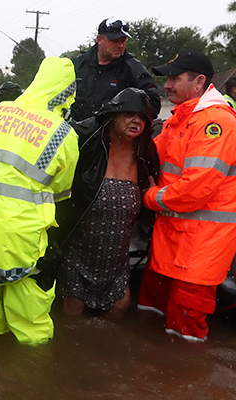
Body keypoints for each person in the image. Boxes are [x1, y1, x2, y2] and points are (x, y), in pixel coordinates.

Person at [0, 57, 80, 345]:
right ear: (67, 94)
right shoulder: (63, 133)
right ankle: (30, 379)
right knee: (30, 328)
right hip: (21, 240)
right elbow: (60, 192)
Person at [137, 51, 236, 342]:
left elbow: (194, 190)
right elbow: (151, 153)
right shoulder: (182, 119)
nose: (167, 86)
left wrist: (147, 197)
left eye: (175, 78)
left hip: (203, 241)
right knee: (152, 303)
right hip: (174, 233)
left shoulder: (215, 124)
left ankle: (184, 372)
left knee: (187, 319)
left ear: (198, 82)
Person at [51, 88, 159, 319]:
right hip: (77, 250)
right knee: (73, 312)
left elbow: (152, 189)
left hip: (116, 259)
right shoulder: (86, 141)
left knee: (120, 307)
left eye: (142, 118)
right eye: (130, 114)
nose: (136, 121)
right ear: (113, 115)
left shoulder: (145, 152)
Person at [70, 17, 161, 122]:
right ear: (99, 39)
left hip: (113, 136)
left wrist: (126, 121)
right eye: (114, 41)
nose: (120, 45)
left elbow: (153, 104)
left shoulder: (133, 68)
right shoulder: (79, 64)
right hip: (77, 132)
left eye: (123, 41)